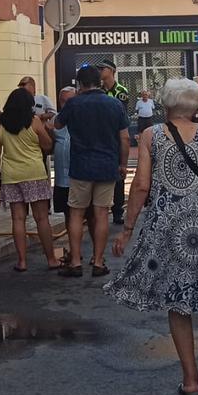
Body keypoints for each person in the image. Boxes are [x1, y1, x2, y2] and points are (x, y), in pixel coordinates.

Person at [105, 78, 198, 395]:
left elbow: (140, 186)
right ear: (195, 106)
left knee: (178, 301)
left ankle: (190, 381)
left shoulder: (152, 135)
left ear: (166, 104)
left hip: (167, 222)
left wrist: (127, 229)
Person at [56, 64, 130, 277]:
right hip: (107, 166)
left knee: (77, 214)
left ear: (80, 84)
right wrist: (123, 163)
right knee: (101, 214)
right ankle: (98, 262)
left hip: (80, 166)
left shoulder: (73, 103)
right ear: (99, 82)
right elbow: (124, 138)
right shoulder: (114, 104)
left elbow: (57, 125)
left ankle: (76, 262)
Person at [0, 88, 60, 272]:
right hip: (35, 174)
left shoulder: (0, 125)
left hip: (11, 175)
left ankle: (22, 261)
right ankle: (51, 259)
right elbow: (47, 145)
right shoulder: (34, 122)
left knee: (18, 219)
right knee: (42, 218)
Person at [99, 60, 130, 225]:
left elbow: (121, 115)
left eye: (102, 69)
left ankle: (118, 211)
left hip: (116, 137)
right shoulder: (98, 91)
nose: (100, 71)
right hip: (101, 136)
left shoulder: (121, 91)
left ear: (111, 71)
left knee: (119, 178)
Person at [51, 86, 77, 232]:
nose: (66, 105)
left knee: (86, 214)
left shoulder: (84, 118)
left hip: (80, 177)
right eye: (63, 101)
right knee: (68, 213)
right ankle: (73, 251)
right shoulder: (56, 120)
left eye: (70, 101)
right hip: (62, 178)